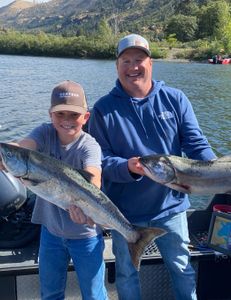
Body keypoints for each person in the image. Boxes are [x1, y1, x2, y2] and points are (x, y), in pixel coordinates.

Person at [88, 34, 217, 300]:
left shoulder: (175, 99)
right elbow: (100, 160)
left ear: (151, 63)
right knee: (126, 273)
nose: (133, 66)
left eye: (139, 59)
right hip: (124, 214)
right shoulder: (103, 109)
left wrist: (217, 170)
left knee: (181, 268)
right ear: (117, 66)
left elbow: (196, 145)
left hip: (170, 209)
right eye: (126, 60)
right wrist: (128, 167)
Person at [0, 80, 108, 300]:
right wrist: (7, 152)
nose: (67, 121)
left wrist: (84, 206)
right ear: (50, 115)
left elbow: (94, 178)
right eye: (60, 114)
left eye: (74, 115)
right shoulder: (44, 133)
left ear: (85, 117)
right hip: (50, 234)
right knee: (50, 294)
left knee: (94, 295)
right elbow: (24, 147)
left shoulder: (90, 146)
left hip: (85, 236)